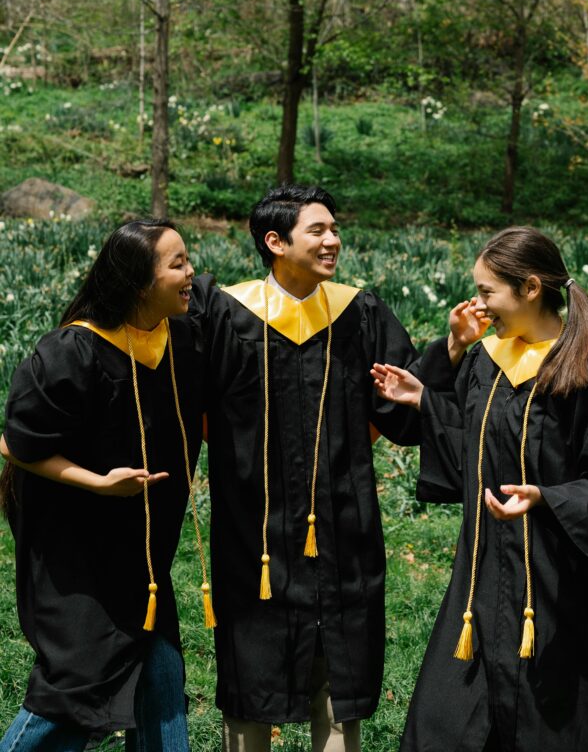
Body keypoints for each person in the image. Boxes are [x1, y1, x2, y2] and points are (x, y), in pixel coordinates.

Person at [372, 226, 588, 752]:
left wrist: (546, 498)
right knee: (447, 726)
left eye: (489, 291)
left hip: (558, 582)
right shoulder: (488, 362)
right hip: (483, 576)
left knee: (554, 725)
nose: (479, 303)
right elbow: (473, 445)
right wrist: (426, 397)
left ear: (532, 288)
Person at [201, 184, 456, 752]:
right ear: (275, 242)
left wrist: (452, 351)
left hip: (343, 525)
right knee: (251, 667)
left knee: (342, 669)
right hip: (255, 531)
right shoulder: (225, 314)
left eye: (335, 229)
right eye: (318, 230)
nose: (333, 240)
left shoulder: (358, 312)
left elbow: (403, 412)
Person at [0, 219, 216, 752]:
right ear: (140, 283)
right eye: (178, 264)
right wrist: (97, 483)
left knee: (162, 680)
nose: (192, 274)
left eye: (189, 261)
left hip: (142, 554)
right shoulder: (72, 352)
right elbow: (15, 445)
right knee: (75, 691)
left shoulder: (182, 338)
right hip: (78, 554)